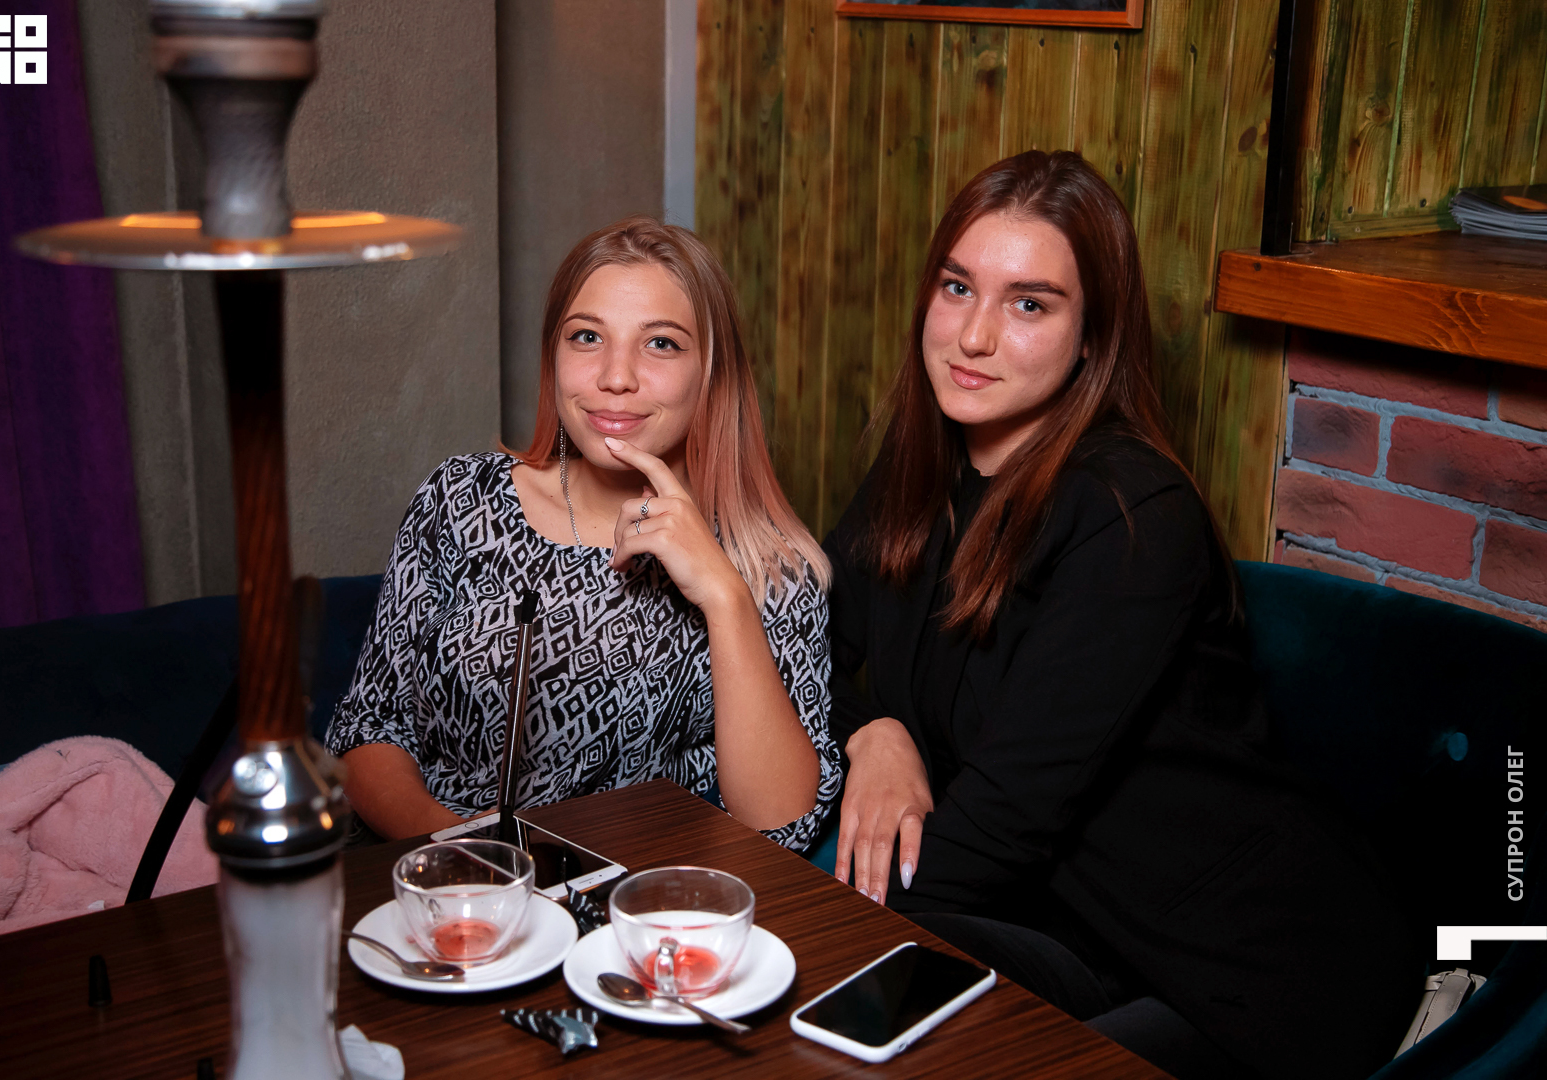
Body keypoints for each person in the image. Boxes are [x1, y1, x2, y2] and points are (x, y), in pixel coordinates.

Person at [824, 151, 1421, 1080]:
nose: (973, 336)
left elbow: (1004, 822)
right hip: (1075, 932)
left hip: (1247, 965)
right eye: (957, 287)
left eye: (1029, 305)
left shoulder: (1130, 515)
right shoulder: (918, 471)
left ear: (1091, 338)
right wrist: (875, 732)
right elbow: (799, 649)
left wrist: (805, 924)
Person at [325, 216, 839, 853]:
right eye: (587, 337)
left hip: (615, 894)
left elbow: (784, 825)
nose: (615, 377)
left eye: (661, 344)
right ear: (554, 357)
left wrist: (724, 595)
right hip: (430, 869)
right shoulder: (460, 500)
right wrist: (465, 860)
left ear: (713, 372)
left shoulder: (771, 567)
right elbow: (369, 726)